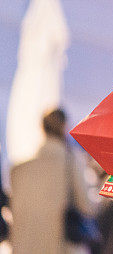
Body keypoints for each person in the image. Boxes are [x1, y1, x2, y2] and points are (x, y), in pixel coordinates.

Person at [10, 109, 96, 254]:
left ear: (42, 128)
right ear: (64, 127)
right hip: (59, 247)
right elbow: (87, 207)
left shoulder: (18, 170)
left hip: (24, 247)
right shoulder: (71, 162)